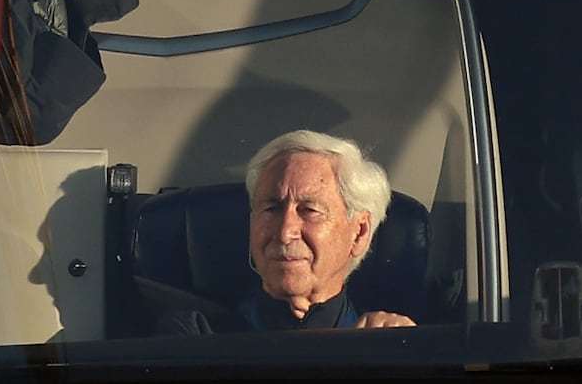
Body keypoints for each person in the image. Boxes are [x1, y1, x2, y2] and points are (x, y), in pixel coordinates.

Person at [138, 129, 419, 334]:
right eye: (270, 209)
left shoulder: (384, 343)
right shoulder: (196, 338)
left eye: (309, 210)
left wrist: (404, 355)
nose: (284, 233)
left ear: (359, 233)